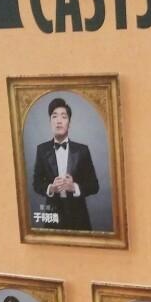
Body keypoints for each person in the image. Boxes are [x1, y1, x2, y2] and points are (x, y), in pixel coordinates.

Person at [32, 96, 99, 230]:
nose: (59, 121)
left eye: (63, 117)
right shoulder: (42, 149)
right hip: (53, 215)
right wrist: (51, 188)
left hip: (79, 216)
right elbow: (36, 183)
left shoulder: (82, 150)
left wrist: (74, 187)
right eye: (54, 116)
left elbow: (94, 186)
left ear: (69, 123)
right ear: (50, 122)